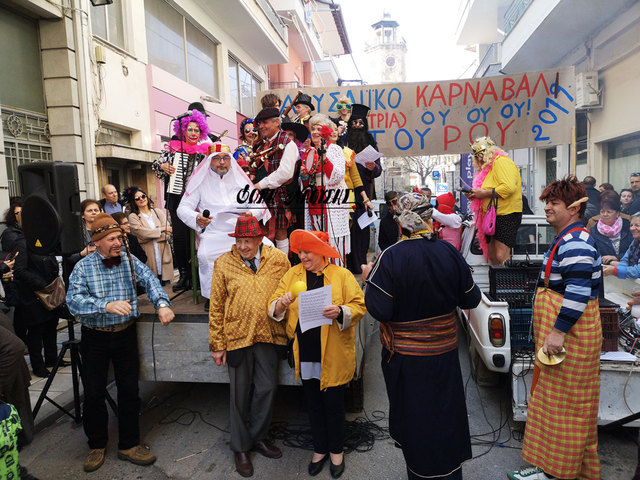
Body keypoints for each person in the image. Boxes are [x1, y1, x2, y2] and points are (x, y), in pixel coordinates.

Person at [362, 192, 481, 480]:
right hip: (444, 359)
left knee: (415, 420)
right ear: (430, 220)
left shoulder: (391, 256)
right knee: (445, 415)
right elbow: (471, 300)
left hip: (407, 361)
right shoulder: (449, 253)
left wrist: (368, 279)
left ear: (401, 223)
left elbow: (380, 309)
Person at [507, 176, 602, 480]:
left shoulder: (576, 242)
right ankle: (554, 469)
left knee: (568, 412)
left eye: (554, 203)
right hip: (560, 338)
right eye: (547, 202)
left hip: (569, 339)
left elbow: (577, 293)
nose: (547, 208)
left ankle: (558, 474)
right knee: (552, 405)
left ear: (574, 208)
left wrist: (558, 332)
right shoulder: (567, 238)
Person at [66, 213, 174, 473]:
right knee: (93, 393)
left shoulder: (128, 259)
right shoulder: (83, 267)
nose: (119, 242)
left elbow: (150, 279)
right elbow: (73, 302)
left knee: (129, 391)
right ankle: (96, 445)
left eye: (120, 237)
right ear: (98, 242)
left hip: (126, 334)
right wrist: (106, 305)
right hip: (95, 337)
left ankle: (129, 444)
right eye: (113, 239)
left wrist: (161, 304)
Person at [268, 230, 366, 479]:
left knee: (333, 403)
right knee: (312, 402)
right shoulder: (293, 274)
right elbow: (274, 305)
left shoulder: (341, 275)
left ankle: (336, 451)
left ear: (321, 252)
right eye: (300, 252)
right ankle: (319, 449)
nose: (302, 256)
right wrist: (282, 303)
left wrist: (340, 310)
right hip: (306, 351)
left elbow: (359, 306)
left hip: (332, 353)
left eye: (307, 252)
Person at [209, 216, 290, 477]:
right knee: (239, 395)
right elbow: (216, 306)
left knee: (267, 388)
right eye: (239, 241)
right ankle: (241, 447)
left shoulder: (278, 259)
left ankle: (258, 437)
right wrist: (217, 344)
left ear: (259, 238)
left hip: (269, 333)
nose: (243, 246)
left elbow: (289, 291)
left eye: (248, 240)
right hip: (237, 336)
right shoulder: (224, 263)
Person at [177, 143, 272, 309]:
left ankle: (259, 291)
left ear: (230, 161)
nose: (222, 162)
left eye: (226, 158)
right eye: (217, 158)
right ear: (209, 161)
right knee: (206, 255)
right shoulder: (201, 182)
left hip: (242, 232)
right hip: (214, 232)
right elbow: (182, 208)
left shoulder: (240, 180)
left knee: (269, 248)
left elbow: (260, 206)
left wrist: (250, 214)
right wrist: (197, 218)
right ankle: (213, 296)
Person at [152, 108, 212, 292]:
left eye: (196, 130)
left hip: (199, 202)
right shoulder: (172, 150)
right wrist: (163, 166)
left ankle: (199, 276)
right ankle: (184, 275)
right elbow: (155, 166)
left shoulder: (206, 153)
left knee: (201, 237)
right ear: (183, 131)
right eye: (190, 130)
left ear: (201, 132)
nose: (193, 133)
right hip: (176, 199)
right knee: (179, 238)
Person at [13, 224, 62, 378]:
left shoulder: (46, 241)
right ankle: (38, 366)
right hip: (33, 296)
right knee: (36, 332)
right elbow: (20, 270)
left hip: (50, 293)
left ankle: (52, 360)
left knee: (51, 327)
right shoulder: (23, 242)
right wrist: (42, 285)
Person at [466, 136, 523, 266]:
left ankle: (508, 285)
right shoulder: (488, 168)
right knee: (491, 255)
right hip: (491, 215)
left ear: (490, 151)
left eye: (481, 154)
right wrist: (476, 194)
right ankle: (496, 285)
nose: (479, 158)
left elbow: (508, 187)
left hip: (506, 214)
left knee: (500, 255)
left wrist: (483, 193)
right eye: (476, 156)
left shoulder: (501, 161)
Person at [302, 114, 350, 266]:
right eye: (312, 129)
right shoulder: (309, 152)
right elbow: (305, 185)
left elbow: (337, 176)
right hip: (314, 205)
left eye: (318, 128)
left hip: (331, 205)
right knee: (318, 245)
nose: (315, 132)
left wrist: (324, 156)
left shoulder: (334, 149)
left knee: (334, 246)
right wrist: (303, 176)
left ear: (326, 131)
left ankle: (337, 281)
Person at [251, 107, 300, 253]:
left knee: (280, 233)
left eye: (265, 122)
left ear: (277, 122)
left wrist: (260, 185)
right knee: (261, 232)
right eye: (259, 123)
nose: (261, 126)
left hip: (277, 194)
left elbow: (284, 173)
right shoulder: (261, 144)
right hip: (260, 195)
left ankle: (282, 268)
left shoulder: (288, 144)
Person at [343, 104, 381, 274]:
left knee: (362, 229)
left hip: (364, 193)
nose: (357, 126)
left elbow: (379, 170)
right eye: (354, 122)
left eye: (361, 123)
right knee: (347, 228)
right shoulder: (343, 140)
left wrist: (373, 167)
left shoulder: (371, 141)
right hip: (345, 191)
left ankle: (359, 265)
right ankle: (346, 264)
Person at [128, 189, 174, 285]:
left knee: (167, 285)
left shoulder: (158, 212)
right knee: (152, 284)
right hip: (148, 255)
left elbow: (168, 233)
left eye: (143, 196)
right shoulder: (133, 216)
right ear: (134, 202)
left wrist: (150, 236)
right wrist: (160, 230)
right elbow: (141, 235)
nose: (141, 199)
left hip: (164, 254)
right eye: (137, 198)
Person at [1, 199, 26, 340]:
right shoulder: (10, 233)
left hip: (25, 276)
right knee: (20, 312)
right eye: (17, 213)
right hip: (16, 277)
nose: (20, 216)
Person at [589, 193, 632, 265]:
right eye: (602, 211)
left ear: (617, 213)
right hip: (606, 269)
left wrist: (618, 257)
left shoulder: (628, 226)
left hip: (629, 267)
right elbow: (593, 253)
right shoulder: (594, 231)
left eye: (609, 212)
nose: (605, 214)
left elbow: (635, 250)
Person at [603, 212, 640, 280]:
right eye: (631, 225)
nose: (632, 228)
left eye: (637, 225)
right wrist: (616, 267)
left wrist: (615, 270)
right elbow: (625, 260)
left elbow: (637, 271)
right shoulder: (635, 241)